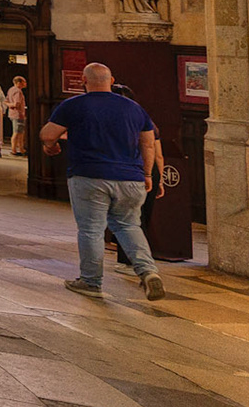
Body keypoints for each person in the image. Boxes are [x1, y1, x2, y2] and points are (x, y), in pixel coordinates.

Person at [40, 62, 167, 300]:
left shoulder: (74, 105)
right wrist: (147, 174)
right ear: (111, 80)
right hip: (131, 178)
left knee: (91, 230)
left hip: (89, 176)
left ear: (83, 81)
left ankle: (91, 281)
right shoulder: (135, 108)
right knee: (129, 226)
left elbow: (47, 134)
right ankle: (148, 271)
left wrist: (51, 146)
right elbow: (148, 143)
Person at [112, 83, 168, 269]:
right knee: (143, 216)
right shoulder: (147, 120)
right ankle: (143, 259)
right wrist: (159, 178)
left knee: (125, 218)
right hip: (150, 171)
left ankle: (127, 258)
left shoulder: (117, 121)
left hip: (129, 169)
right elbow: (157, 153)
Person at [6, 75, 29, 155]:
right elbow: (17, 104)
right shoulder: (18, 91)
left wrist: (9, 105)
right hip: (18, 114)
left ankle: (21, 149)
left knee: (19, 132)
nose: (25, 83)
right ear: (18, 83)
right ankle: (14, 150)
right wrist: (13, 105)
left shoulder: (10, 89)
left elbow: (6, 101)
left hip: (12, 114)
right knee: (17, 132)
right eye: (24, 82)